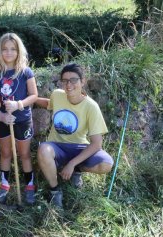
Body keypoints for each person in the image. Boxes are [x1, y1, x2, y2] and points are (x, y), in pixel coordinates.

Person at [36, 63, 114, 208]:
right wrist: (30, 100)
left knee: (106, 164)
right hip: (57, 147)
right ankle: (55, 191)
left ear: (83, 81)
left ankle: (76, 170)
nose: (68, 84)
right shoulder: (57, 95)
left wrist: (72, 164)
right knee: (43, 149)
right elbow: (49, 104)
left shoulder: (91, 106)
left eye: (73, 80)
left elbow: (97, 144)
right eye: (64, 81)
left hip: (79, 147)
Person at [0, 33, 38, 205]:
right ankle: (4, 184)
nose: (8, 53)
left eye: (12, 49)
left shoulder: (25, 72)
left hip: (22, 119)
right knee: (5, 152)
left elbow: (34, 95)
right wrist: (0, 114)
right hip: (3, 121)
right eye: (4, 49)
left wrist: (18, 104)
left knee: (24, 153)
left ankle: (30, 185)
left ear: (19, 51)